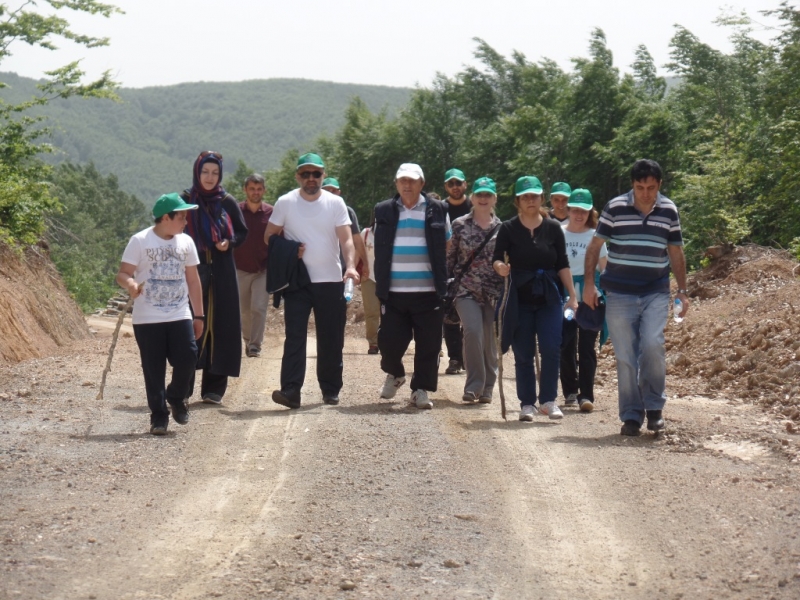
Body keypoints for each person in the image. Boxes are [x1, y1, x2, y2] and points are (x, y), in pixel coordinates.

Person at [583, 159, 689, 436]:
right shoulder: (615, 207)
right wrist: (589, 286)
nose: (645, 193)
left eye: (651, 187)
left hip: (655, 289)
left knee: (653, 344)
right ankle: (631, 415)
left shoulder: (669, 210)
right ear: (633, 185)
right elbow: (595, 247)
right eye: (640, 187)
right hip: (618, 292)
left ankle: (654, 409)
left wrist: (683, 291)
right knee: (626, 355)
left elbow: (676, 251)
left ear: (660, 185)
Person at [264, 153, 359, 409]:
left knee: (331, 337)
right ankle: (291, 391)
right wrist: (289, 249)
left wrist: (350, 266)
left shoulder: (335, 203)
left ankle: (330, 390)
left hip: (330, 280)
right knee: (295, 337)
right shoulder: (285, 202)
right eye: (305, 174)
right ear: (297, 176)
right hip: (298, 281)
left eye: (316, 174)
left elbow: (346, 239)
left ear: (323, 176)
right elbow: (269, 236)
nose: (310, 178)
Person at [116, 193, 204, 435]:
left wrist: (199, 316)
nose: (186, 221)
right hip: (148, 318)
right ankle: (158, 417)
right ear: (166, 217)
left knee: (188, 357)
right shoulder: (140, 241)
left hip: (179, 313)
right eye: (182, 216)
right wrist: (131, 285)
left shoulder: (186, 242)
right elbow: (123, 274)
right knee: (153, 369)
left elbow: (193, 281)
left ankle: (176, 396)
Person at [493, 175, 578, 422]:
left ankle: (549, 400)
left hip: (550, 296)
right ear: (518, 201)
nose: (531, 200)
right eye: (525, 196)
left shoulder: (553, 228)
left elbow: (562, 262)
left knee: (552, 347)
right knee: (524, 352)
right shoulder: (508, 228)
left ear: (541, 198)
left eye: (535, 195)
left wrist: (572, 296)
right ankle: (527, 403)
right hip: (519, 298)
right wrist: (500, 267)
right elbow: (497, 257)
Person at [374, 163, 450, 409]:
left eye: (412, 181)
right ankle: (395, 373)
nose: (407, 185)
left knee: (429, 345)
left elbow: (447, 244)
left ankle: (420, 390)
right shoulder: (383, 210)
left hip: (428, 292)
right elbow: (379, 245)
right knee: (389, 342)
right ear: (396, 183)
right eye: (402, 181)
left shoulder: (438, 209)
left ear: (422, 183)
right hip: (393, 292)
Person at [182, 151, 248, 406]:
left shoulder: (227, 201)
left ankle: (214, 389)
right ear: (197, 172)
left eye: (215, 173)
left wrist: (228, 242)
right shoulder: (185, 201)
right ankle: (183, 387)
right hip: (191, 272)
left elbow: (241, 233)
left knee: (221, 326)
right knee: (189, 327)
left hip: (221, 271)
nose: (209, 177)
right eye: (205, 172)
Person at [446, 177, 503, 404]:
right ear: (472, 197)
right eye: (479, 194)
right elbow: (450, 259)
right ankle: (474, 385)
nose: (483, 198)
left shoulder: (502, 228)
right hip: (465, 289)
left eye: (487, 195)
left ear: (494, 199)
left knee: (489, 340)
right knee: (472, 332)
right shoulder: (459, 224)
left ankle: (488, 387)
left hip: (493, 292)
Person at [560, 188, 607, 412]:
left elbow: (604, 267)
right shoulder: (559, 233)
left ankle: (586, 395)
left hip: (590, 297)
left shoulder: (596, 236)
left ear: (591, 212)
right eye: (575, 210)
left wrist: (604, 292)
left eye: (584, 211)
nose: (579, 215)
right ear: (568, 210)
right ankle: (570, 390)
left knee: (587, 346)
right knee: (565, 344)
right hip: (564, 297)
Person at [233, 174, 272, 358]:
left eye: (259, 189)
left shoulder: (272, 213)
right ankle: (247, 340)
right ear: (245, 190)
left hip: (263, 270)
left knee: (258, 307)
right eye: (252, 189)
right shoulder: (236, 212)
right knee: (244, 310)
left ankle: (255, 345)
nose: (255, 192)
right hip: (240, 269)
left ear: (264, 190)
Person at [442, 168, 472, 375]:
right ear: (446, 187)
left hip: (474, 270)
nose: (455, 187)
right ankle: (454, 358)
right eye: (451, 183)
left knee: (472, 319)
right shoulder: (440, 208)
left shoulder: (475, 205)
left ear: (465, 185)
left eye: (458, 183)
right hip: (448, 268)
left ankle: (470, 358)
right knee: (450, 316)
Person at [321, 177, 369, 280]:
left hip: (343, 268)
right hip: (320, 268)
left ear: (339, 192)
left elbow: (357, 239)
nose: (330, 193)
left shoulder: (348, 212)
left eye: (333, 190)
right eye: (326, 190)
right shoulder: (314, 212)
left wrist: (365, 263)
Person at [360, 211, 380, 354]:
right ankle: (373, 343)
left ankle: (388, 342)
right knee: (371, 311)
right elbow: (358, 252)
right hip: (369, 277)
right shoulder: (366, 233)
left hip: (389, 278)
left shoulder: (393, 232)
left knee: (390, 313)